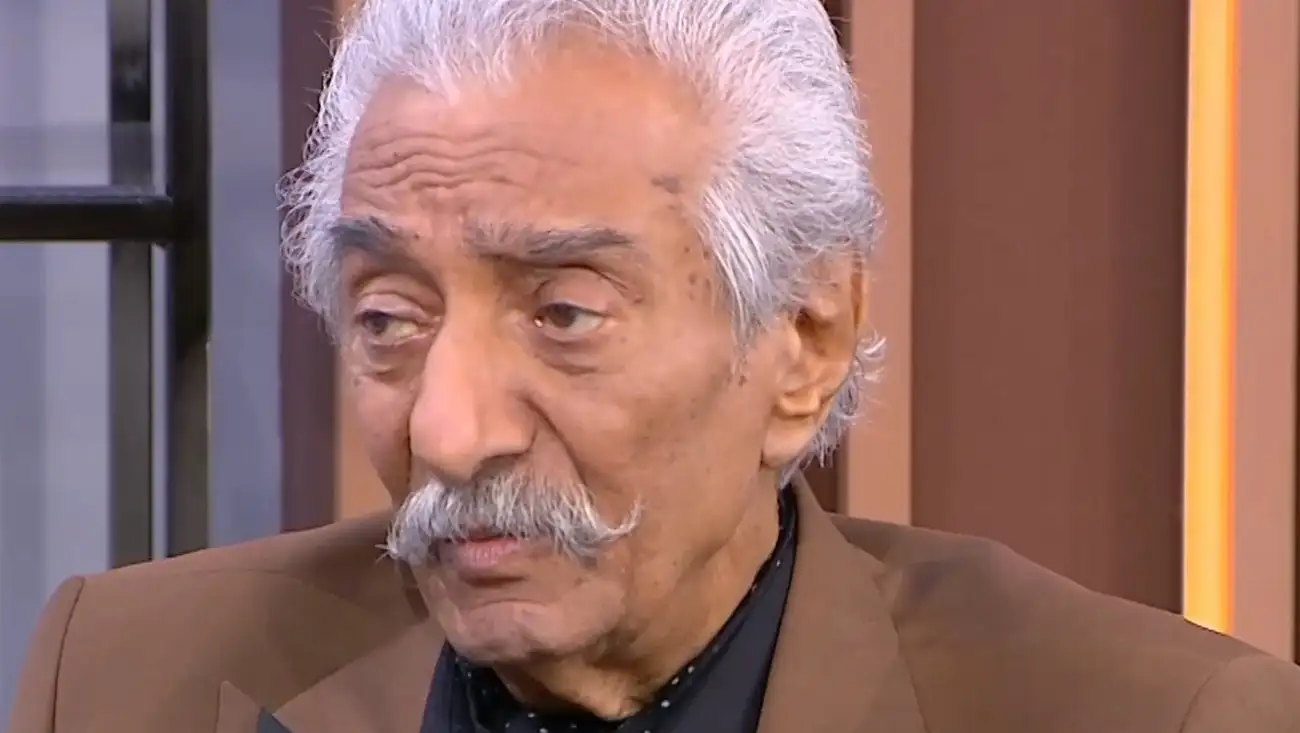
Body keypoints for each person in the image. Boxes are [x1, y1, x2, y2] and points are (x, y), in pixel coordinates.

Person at [9, 1, 1300, 731]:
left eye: (564, 313)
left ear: (804, 342)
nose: (448, 433)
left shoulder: (1154, 718)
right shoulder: (126, 677)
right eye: (390, 320)